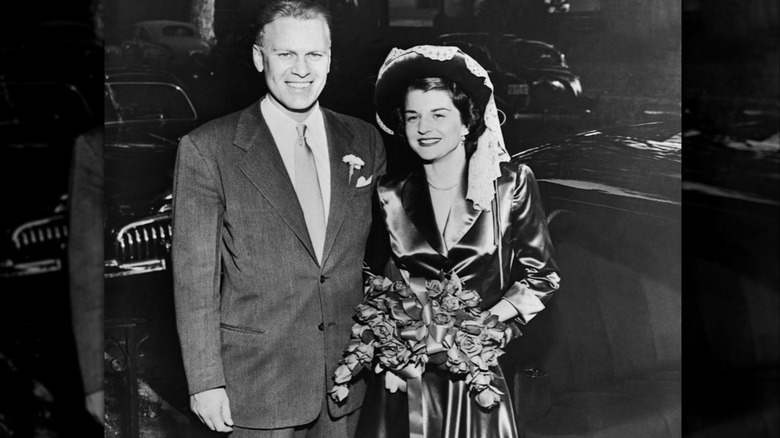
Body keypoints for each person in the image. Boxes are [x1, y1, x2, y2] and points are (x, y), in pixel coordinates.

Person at [171, 1, 386, 437]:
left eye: (314, 55)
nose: (301, 69)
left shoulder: (364, 139)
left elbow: (389, 253)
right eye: (286, 54)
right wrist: (205, 380)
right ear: (259, 57)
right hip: (256, 386)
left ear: (330, 59)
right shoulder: (208, 148)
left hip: (345, 382)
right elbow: (194, 278)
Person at [357, 45, 561, 437]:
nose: (424, 128)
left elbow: (543, 276)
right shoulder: (389, 193)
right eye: (413, 117)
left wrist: (478, 325)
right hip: (406, 376)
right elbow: (371, 273)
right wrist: (396, 328)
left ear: (467, 122)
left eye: (439, 114)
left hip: (476, 376)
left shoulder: (511, 184)